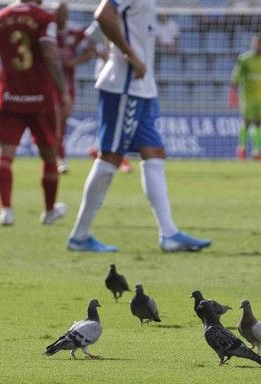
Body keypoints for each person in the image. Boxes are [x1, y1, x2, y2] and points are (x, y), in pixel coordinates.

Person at [66, 0, 211, 253]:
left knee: (154, 152)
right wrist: (129, 54)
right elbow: (103, 15)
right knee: (110, 156)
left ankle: (169, 234)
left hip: (143, 87)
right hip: (124, 85)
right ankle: (79, 236)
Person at [0, 0, 71, 225]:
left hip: (9, 96)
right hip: (39, 98)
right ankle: (49, 211)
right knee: (49, 154)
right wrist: (63, 91)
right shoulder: (43, 17)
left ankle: (6, 211)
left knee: (4, 155)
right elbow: (50, 55)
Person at [84, 20, 133, 173]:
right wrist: (100, 53)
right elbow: (86, 38)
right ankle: (116, 157)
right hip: (107, 76)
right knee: (114, 117)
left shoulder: (125, 17)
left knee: (114, 117)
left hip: (120, 75)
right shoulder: (103, 19)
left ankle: (99, 149)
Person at [53, 1, 94, 174]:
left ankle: (57, 156)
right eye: (58, 13)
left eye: (64, 13)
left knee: (61, 120)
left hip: (68, 84)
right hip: (48, 83)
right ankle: (58, 158)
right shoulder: (46, 30)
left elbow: (90, 49)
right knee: (55, 120)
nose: (62, 16)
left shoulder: (75, 32)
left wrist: (74, 61)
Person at [229, 34, 261, 160]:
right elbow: (235, 78)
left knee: (259, 124)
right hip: (247, 99)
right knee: (247, 122)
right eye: (255, 42)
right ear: (252, 43)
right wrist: (233, 96)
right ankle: (241, 150)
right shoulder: (244, 59)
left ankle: (256, 152)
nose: (257, 45)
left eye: (260, 43)